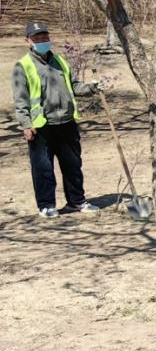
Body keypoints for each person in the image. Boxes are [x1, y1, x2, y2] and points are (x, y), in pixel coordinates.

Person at [11, 20, 100, 218]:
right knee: (43, 168)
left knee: (73, 165)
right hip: (41, 126)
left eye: (44, 36)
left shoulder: (60, 61)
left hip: (67, 123)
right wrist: (26, 124)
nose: (42, 40)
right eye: (37, 38)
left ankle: (77, 202)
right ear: (28, 40)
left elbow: (74, 86)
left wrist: (92, 87)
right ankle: (46, 205)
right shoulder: (23, 66)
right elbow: (21, 99)